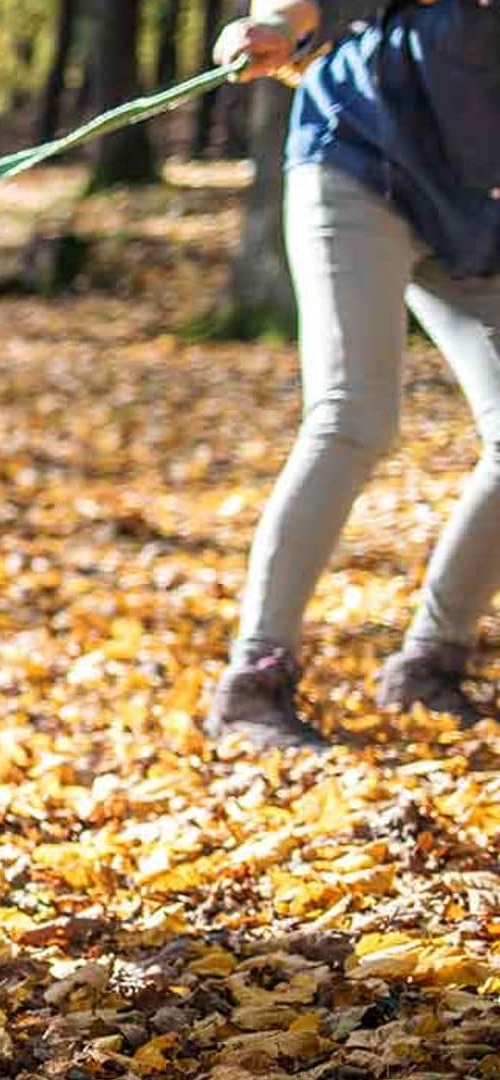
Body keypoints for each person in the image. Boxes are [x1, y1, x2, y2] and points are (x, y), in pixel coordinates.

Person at [207, 0, 500, 747]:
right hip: (360, 158)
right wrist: (275, 27)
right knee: (353, 417)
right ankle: (254, 681)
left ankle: (431, 664)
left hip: (466, 213)